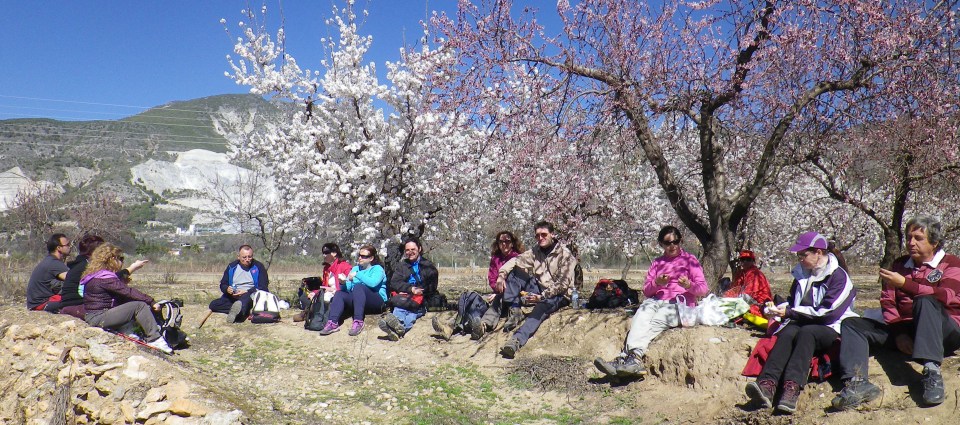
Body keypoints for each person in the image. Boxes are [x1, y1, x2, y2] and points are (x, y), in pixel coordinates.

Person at [832, 216, 960, 410]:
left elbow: (947, 296)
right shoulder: (899, 265)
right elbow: (888, 301)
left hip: (943, 330)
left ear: (934, 242)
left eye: (918, 238)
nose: (911, 243)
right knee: (853, 324)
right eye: (909, 238)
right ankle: (857, 382)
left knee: (925, 301)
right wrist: (899, 332)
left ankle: (932, 371)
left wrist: (905, 284)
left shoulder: (951, 263)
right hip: (907, 330)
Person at [744, 231, 858, 414]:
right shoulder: (802, 275)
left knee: (807, 333)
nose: (800, 259)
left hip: (832, 327)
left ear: (819, 253)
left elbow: (827, 313)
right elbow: (794, 302)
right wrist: (777, 309)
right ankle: (767, 384)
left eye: (803, 254)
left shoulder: (838, 277)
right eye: (798, 255)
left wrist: (790, 312)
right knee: (788, 331)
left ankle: (792, 388)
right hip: (806, 321)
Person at [595, 226, 708, 378]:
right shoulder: (657, 263)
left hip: (679, 304)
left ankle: (627, 357)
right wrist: (657, 283)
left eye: (675, 242)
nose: (672, 246)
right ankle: (631, 359)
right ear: (661, 244)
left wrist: (688, 285)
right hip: (657, 300)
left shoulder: (690, 260)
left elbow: (702, 289)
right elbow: (647, 291)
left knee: (658, 319)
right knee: (642, 314)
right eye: (668, 243)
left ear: (680, 241)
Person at [495, 221, 578, 359]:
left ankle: (516, 340)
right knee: (514, 273)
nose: (540, 238)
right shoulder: (535, 251)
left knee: (540, 308)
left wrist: (542, 297)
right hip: (539, 287)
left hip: (559, 294)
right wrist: (501, 276)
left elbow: (563, 284)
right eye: (537, 235)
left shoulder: (565, 255)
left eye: (544, 234)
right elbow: (516, 260)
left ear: (552, 234)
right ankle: (514, 310)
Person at [81, 243, 173, 354]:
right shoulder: (105, 278)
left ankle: (128, 331)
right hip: (99, 317)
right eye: (121, 259)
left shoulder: (96, 275)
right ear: (112, 259)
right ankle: (155, 339)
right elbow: (128, 292)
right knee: (139, 306)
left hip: (96, 315)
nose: (122, 262)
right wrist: (152, 301)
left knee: (131, 304)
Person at [433, 231, 523, 340]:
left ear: (512, 243)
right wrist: (497, 290)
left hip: (510, 297)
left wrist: (501, 292)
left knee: (497, 300)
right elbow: (492, 278)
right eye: (501, 242)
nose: (504, 244)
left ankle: (483, 326)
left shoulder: (519, 258)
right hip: (496, 292)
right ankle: (451, 326)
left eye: (507, 241)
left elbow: (518, 282)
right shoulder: (495, 259)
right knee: (471, 298)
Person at [60, 234, 150, 319]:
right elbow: (108, 281)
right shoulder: (88, 266)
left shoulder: (79, 264)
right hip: (79, 305)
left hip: (73, 304)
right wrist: (132, 268)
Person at [379, 236, 439, 341]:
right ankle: (401, 328)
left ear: (419, 249)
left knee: (409, 310)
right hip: (406, 297)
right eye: (407, 250)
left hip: (422, 299)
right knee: (405, 309)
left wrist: (419, 291)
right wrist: (410, 289)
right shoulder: (402, 266)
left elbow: (432, 285)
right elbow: (394, 282)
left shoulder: (428, 266)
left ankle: (397, 327)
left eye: (413, 249)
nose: (410, 252)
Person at [318, 245, 388, 336]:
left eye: (364, 256)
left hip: (377, 301)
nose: (360, 258)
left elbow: (373, 283)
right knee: (340, 293)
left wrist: (357, 275)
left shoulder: (377, 269)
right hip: (359, 301)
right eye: (359, 255)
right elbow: (347, 288)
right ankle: (332, 322)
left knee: (359, 287)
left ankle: (358, 321)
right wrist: (343, 283)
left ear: (371, 258)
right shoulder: (355, 269)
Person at [209, 245, 270, 323]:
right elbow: (223, 284)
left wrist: (247, 291)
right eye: (244, 257)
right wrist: (227, 289)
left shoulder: (259, 267)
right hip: (233, 296)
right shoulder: (232, 267)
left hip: (250, 295)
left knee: (246, 300)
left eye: (250, 257)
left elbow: (263, 286)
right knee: (213, 305)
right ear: (238, 257)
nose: (247, 259)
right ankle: (239, 310)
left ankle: (240, 309)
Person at [294, 242, 352, 322]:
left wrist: (333, 290)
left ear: (334, 253)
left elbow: (350, 286)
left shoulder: (345, 266)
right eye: (323, 253)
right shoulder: (326, 268)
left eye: (326, 253)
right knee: (305, 296)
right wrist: (315, 292)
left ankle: (309, 313)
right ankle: (312, 312)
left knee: (326, 299)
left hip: (340, 294)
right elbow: (324, 286)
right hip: (327, 293)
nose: (324, 255)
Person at [26, 233, 72, 312]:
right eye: (67, 245)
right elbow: (74, 280)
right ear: (59, 248)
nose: (69, 247)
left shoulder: (49, 260)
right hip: (43, 303)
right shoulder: (54, 264)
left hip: (35, 303)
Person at [723, 250, 773, 320]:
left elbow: (749, 294)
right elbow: (734, 289)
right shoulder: (741, 273)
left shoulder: (755, 274)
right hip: (745, 300)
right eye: (743, 260)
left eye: (748, 260)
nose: (745, 262)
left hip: (759, 304)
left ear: (753, 261)